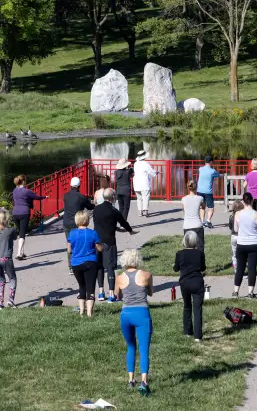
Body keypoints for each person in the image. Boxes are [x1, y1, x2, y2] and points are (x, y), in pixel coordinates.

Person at [114, 249, 153, 396]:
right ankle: (144, 381)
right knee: (144, 349)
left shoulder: (119, 277)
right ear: (138, 260)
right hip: (142, 313)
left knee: (131, 346)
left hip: (126, 315)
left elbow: (118, 296)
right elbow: (150, 292)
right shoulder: (146, 275)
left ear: (124, 261)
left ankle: (130, 379)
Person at [94, 188, 136, 302]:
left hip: (97, 242)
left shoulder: (96, 210)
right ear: (113, 197)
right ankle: (112, 294)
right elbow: (123, 222)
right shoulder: (114, 211)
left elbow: (101, 224)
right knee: (110, 267)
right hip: (109, 242)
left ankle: (101, 292)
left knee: (99, 267)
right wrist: (130, 230)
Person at [67, 210, 102, 317]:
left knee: (81, 286)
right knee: (90, 288)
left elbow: (69, 250)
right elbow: (99, 248)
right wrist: (102, 247)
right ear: (87, 220)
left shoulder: (72, 233)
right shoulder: (93, 233)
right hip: (90, 262)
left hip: (76, 263)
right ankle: (90, 312)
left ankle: (82, 311)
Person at [173, 231, 206, 342]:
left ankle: (187, 331)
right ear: (195, 241)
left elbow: (176, 268)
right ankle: (197, 336)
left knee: (187, 306)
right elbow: (202, 268)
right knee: (197, 309)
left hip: (184, 282)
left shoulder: (179, 254)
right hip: (197, 282)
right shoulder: (200, 253)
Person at [233, 192, 257, 298]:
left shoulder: (237, 214)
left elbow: (235, 229)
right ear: (252, 201)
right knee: (252, 268)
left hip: (241, 243)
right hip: (254, 244)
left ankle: (235, 291)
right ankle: (250, 293)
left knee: (240, 269)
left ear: (243, 201)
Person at [62, 176, 94, 272]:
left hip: (66, 222)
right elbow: (90, 206)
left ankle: (71, 266)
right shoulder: (81, 197)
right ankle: (80, 262)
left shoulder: (65, 196)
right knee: (80, 243)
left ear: (70, 185)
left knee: (70, 243)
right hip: (78, 222)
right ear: (79, 186)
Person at [12, 174, 47, 260]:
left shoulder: (14, 190)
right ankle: (18, 254)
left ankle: (22, 252)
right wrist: (44, 197)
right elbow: (36, 197)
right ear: (23, 181)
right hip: (24, 213)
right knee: (22, 234)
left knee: (21, 233)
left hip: (15, 213)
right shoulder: (27, 191)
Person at [0, 209, 18, 308]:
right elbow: (15, 237)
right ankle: (11, 299)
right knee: (12, 279)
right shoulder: (11, 230)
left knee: (1, 280)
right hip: (7, 259)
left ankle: (0, 303)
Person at [181, 181, 206, 251]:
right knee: (200, 248)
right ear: (196, 188)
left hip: (187, 225)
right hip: (197, 225)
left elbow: (183, 209)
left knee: (188, 247)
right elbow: (203, 207)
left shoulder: (183, 199)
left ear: (188, 188)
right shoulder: (200, 198)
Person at [197, 156, 220, 228]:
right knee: (211, 207)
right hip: (208, 192)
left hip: (199, 190)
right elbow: (218, 176)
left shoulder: (200, 169)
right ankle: (208, 221)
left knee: (202, 207)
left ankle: (202, 222)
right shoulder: (213, 171)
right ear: (211, 162)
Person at [133, 151, 156, 218]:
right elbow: (151, 172)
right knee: (145, 197)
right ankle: (145, 211)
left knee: (139, 198)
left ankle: (140, 212)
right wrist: (156, 173)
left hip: (136, 183)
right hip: (144, 183)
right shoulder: (146, 164)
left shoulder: (135, 164)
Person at [228, 200, 244, 270]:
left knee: (234, 253)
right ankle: (241, 268)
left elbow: (230, 227)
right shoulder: (242, 217)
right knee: (241, 254)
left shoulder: (231, 217)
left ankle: (235, 269)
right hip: (240, 236)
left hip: (233, 236)